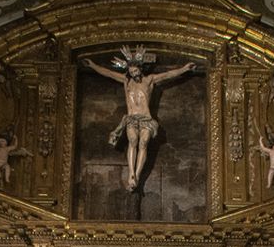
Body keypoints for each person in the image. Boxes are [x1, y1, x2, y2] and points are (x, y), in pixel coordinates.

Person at [82, 48, 197, 191]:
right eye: (131, 72)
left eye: (136, 71)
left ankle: (137, 175)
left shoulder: (149, 80)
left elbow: (168, 74)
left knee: (143, 142)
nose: (134, 74)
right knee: (133, 140)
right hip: (131, 117)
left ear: (140, 69)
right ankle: (131, 174)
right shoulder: (126, 81)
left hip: (146, 119)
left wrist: (185, 69)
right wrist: (93, 66)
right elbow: (109, 73)